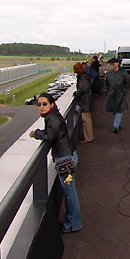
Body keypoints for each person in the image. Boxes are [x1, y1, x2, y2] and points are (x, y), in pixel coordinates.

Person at [29, 93, 82, 234]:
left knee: (70, 194)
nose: (41, 107)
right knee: (70, 192)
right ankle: (71, 221)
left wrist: (36, 133)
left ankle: (73, 224)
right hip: (69, 158)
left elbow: (50, 137)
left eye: (44, 104)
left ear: (51, 105)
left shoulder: (52, 118)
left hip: (64, 162)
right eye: (39, 104)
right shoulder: (54, 116)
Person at [104, 57, 130, 133]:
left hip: (120, 94)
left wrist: (124, 91)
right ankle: (118, 124)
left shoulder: (123, 73)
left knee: (119, 110)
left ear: (118, 63)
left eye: (114, 63)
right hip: (111, 94)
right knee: (114, 110)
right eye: (111, 63)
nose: (112, 65)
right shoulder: (108, 73)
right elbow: (105, 83)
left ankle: (115, 126)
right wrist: (106, 91)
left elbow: (128, 83)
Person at [73, 62, 94, 143]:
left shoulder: (83, 77)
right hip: (86, 100)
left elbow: (82, 89)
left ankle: (88, 138)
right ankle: (89, 136)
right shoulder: (85, 76)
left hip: (84, 101)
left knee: (86, 120)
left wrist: (76, 93)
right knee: (87, 120)